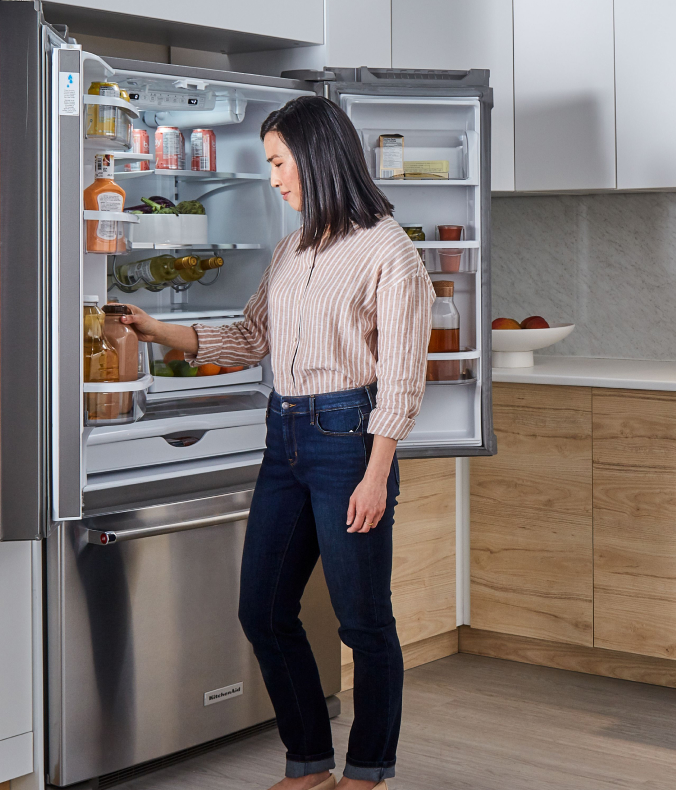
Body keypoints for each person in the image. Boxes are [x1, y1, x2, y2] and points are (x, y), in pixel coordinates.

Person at [122, 95, 433, 790]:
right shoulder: (292, 248)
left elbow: (404, 378)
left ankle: (368, 772)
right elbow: (250, 337)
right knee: (262, 609)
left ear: (317, 158)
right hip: (284, 436)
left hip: (350, 440)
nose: (273, 178)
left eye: (278, 162)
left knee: (363, 621)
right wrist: (157, 330)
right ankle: (310, 765)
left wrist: (376, 473)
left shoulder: (389, 250)